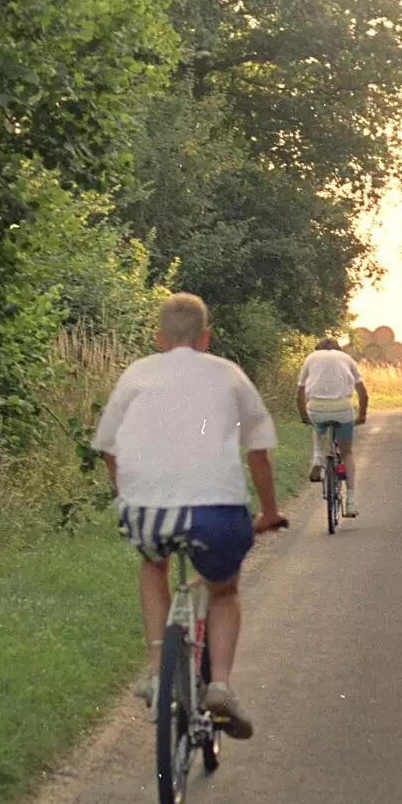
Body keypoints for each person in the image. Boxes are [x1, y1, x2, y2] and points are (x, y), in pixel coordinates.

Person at [92, 292, 285, 740]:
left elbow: (109, 446)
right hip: (215, 509)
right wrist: (270, 511)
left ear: (159, 338)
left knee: (152, 562)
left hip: (146, 510)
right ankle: (219, 685)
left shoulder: (137, 374)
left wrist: (129, 498)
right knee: (224, 589)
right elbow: (258, 451)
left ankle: (158, 668)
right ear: (206, 337)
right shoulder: (229, 374)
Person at [296, 337, 370, 517]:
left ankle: (317, 458)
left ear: (318, 348)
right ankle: (350, 502)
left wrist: (305, 416)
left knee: (317, 427)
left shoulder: (310, 358)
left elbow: (299, 394)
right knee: (347, 452)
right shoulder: (347, 359)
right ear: (338, 349)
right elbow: (363, 394)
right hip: (342, 409)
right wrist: (361, 416)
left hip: (317, 409)